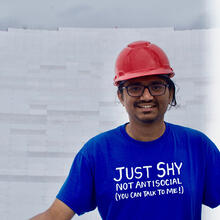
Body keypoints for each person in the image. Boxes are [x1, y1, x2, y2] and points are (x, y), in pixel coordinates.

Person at [30, 41, 220, 220]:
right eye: (135, 88)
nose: (147, 96)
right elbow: (56, 215)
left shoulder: (197, 146)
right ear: (120, 96)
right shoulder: (97, 152)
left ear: (170, 93)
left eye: (156, 86)